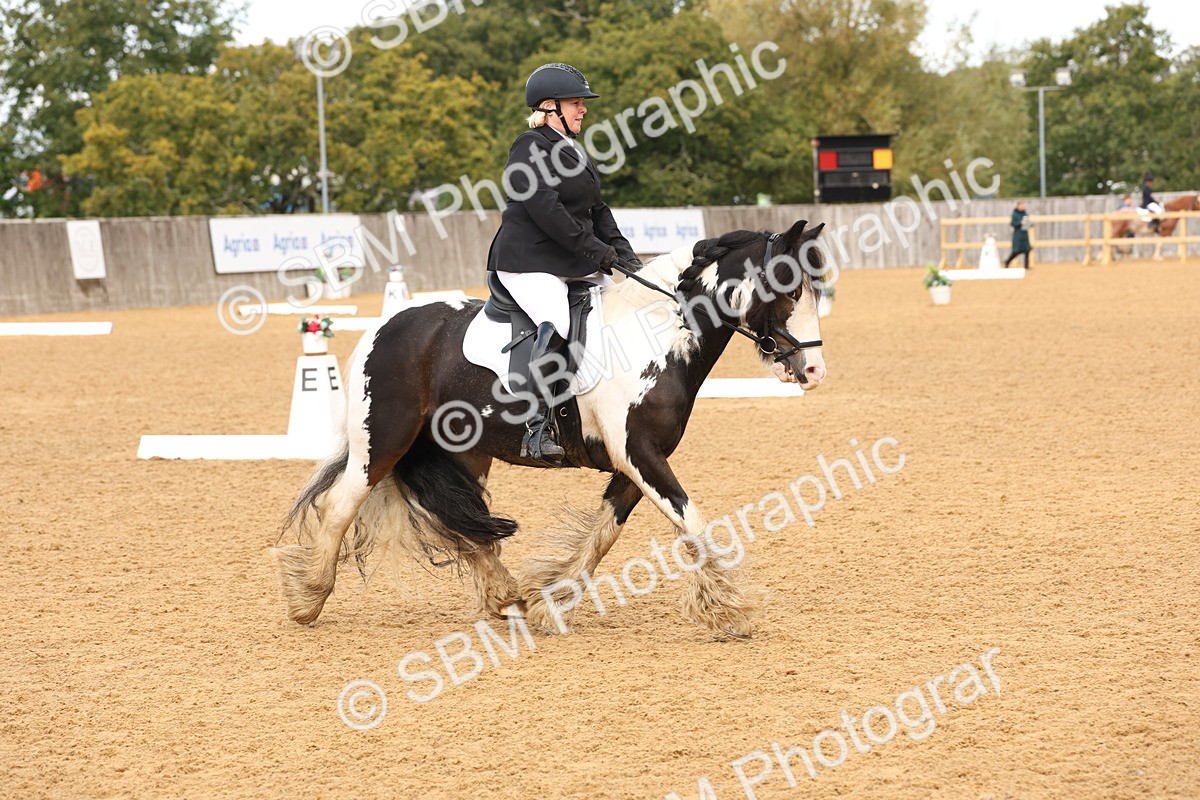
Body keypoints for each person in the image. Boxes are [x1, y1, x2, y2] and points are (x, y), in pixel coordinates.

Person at [486, 63, 640, 464]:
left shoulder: (573, 149)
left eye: (582, 103)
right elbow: (548, 212)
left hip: (570, 259)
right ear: (548, 107)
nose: (583, 109)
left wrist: (624, 253)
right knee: (557, 319)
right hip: (530, 261)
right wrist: (597, 252)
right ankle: (536, 427)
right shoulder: (528, 147)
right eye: (575, 103)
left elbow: (597, 209)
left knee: (624, 310)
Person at [1004, 200, 1032, 269]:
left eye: (1023, 205)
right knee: (1016, 251)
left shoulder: (1025, 213)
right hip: (1018, 234)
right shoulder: (1014, 214)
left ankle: (1026, 266)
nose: (1023, 207)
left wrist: (1029, 223)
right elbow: (1013, 223)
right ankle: (1007, 262)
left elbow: (1027, 222)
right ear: (1018, 206)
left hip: (1024, 234)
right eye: (1021, 205)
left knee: (1027, 250)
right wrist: (1020, 223)